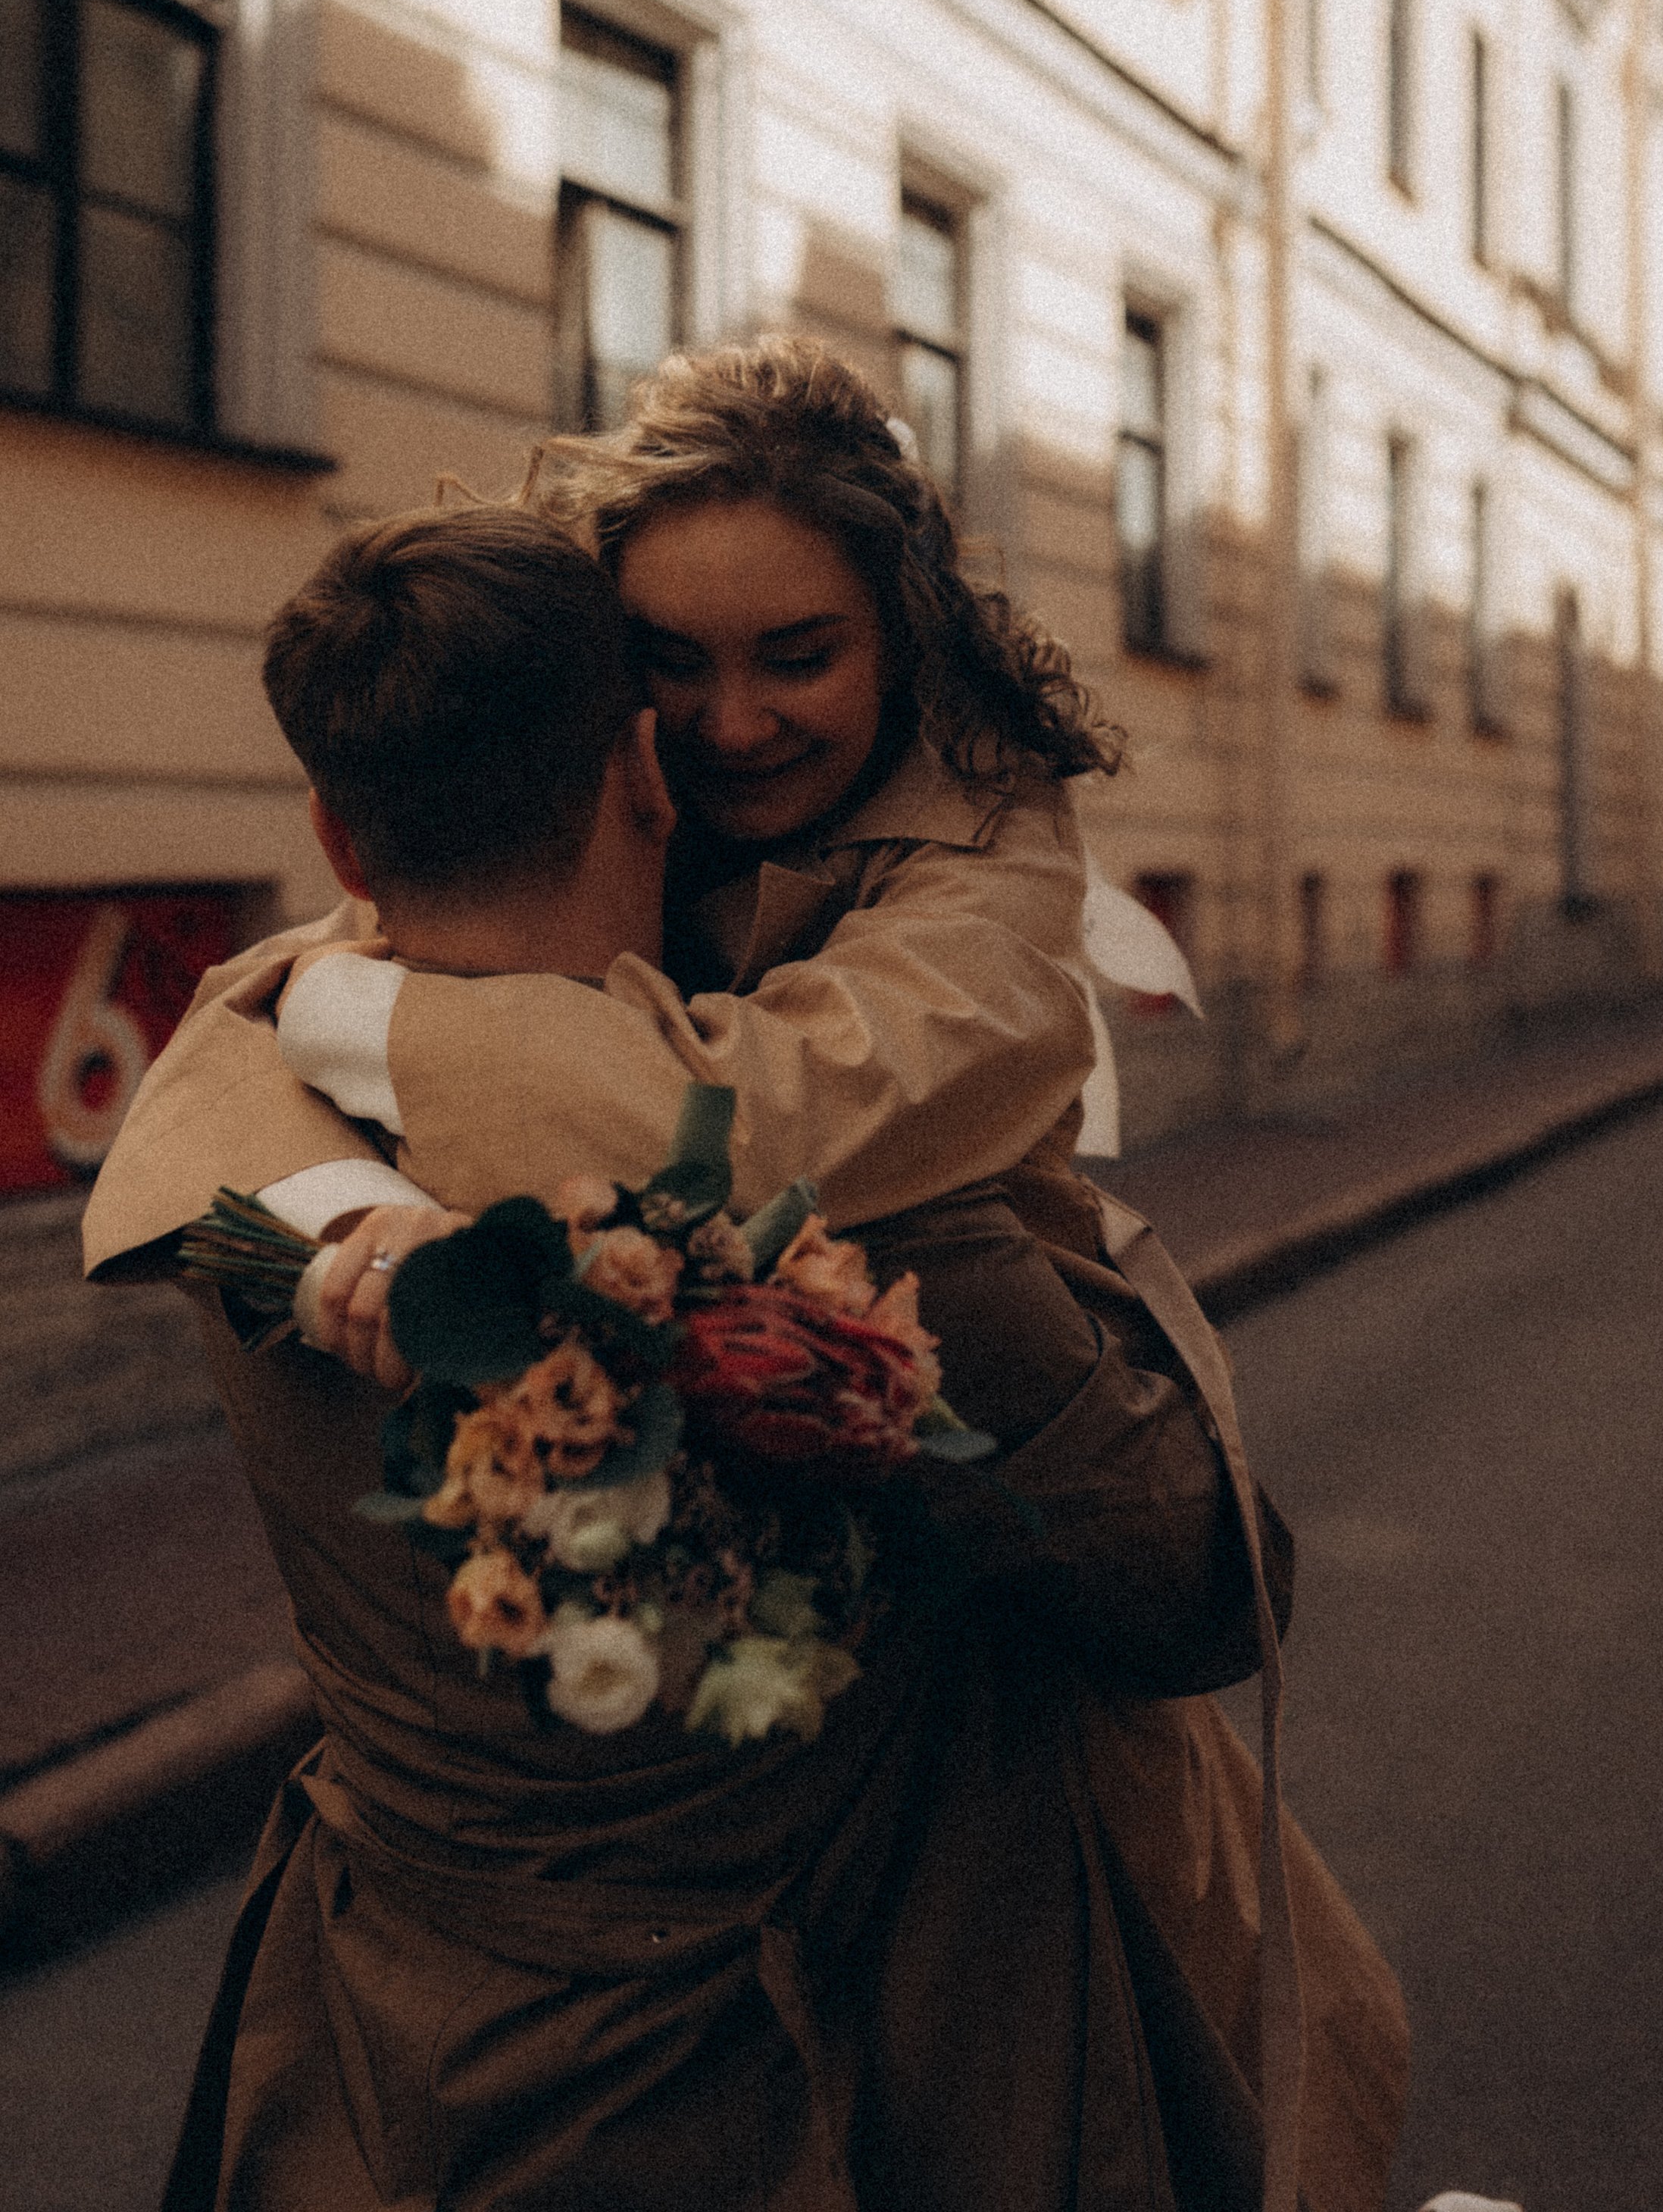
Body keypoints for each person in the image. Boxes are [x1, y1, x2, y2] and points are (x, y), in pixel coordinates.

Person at [86, 490, 1402, 2210]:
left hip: (389, 2063)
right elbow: (1199, 1596)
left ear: (337, 838)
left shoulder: (251, 1144)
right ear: (647, 775)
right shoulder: (868, 1223)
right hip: (812, 2080)